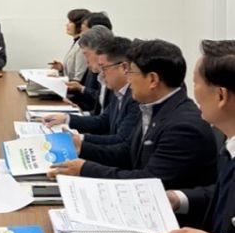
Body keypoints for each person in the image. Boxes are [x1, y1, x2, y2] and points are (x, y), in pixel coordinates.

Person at [49, 39, 218, 190]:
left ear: (152, 79)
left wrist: (85, 169)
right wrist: (82, 148)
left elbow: (149, 181)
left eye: (131, 73)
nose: (128, 80)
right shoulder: (154, 107)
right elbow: (128, 152)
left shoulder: (183, 126)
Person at [157, 40, 235, 233]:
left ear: (220, 95)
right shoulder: (228, 143)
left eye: (195, 83)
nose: (193, 93)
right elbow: (224, 196)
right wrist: (177, 198)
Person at [44, 36, 140, 146]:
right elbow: (103, 121)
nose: (101, 74)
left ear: (124, 67)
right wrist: (67, 119)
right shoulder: (119, 91)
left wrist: (79, 140)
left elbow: (120, 142)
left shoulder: (136, 97)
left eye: (104, 68)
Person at [67, 25, 114, 114]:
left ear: (99, 50)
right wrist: (78, 115)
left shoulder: (113, 79)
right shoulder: (102, 76)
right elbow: (102, 116)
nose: (86, 60)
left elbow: (105, 120)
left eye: (86, 54)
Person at [48, 8, 90, 81]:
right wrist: (61, 69)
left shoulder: (82, 45)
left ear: (79, 25)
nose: (66, 25)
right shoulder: (76, 42)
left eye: (70, 22)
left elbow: (79, 77)